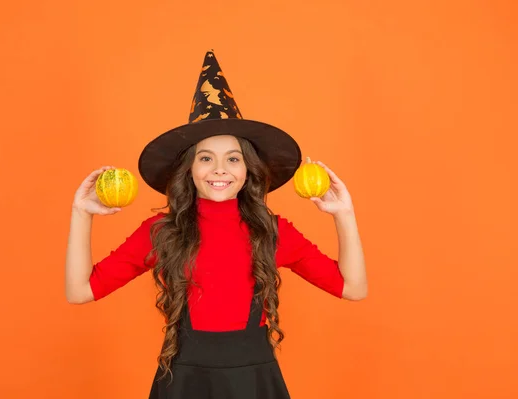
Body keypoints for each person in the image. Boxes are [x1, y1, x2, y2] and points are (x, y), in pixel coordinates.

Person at [65, 50, 367, 399]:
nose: (220, 169)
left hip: (254, 383)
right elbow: (79, 291)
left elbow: (353, 288)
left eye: (233, 158)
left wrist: (343, 214)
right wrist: (80, 213)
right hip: (183, 383)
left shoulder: (273, 231)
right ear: (189, 171)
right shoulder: (161, 232)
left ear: (248, 170)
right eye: (206, 158)